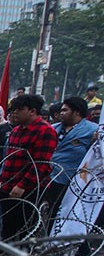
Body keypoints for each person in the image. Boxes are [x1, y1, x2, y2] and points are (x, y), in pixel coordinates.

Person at [0, 94, 57, 243]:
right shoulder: (16, 130)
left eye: (20, 109)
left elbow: (41, 164)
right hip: (8, 186)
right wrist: (1, 181)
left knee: (25, 229)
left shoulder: (45, 131)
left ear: (32, 111)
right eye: (13, 110)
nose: (14, 113)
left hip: (28, 190)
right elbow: (8, 159)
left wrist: (22, 186)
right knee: (7, 229)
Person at [44, 96, 98, 226]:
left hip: (72, 180)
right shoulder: (53, 128)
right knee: (49, 215)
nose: (61, 113)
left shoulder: (92, 130)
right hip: (49, 177)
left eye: (65, 110)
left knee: (68, 216)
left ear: (77, 112)